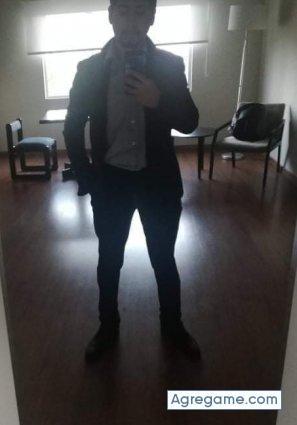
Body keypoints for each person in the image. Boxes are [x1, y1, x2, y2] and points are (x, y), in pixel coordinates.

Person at [63, 0, 201, 362]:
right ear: (111, 15)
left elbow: (189, 122)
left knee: (163, 258)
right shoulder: (90, 69)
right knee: (109, 260)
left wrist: (158, 100)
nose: (131, 21)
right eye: (123, 11)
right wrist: (87, 177)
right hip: (110, 183)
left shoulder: (170, 65)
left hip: (159, 183)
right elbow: (72, 126)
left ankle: (173, 326)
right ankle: (107, 327)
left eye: (140, 12)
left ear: (151, 18)